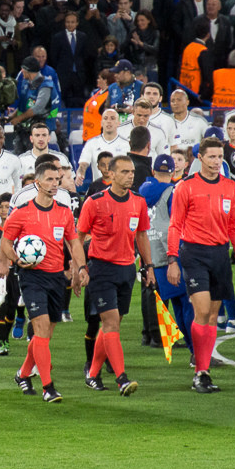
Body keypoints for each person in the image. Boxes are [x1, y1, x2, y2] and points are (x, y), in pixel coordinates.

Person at [0, 161, 88, 403]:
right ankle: (48, 387)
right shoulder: (21, 213)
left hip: (56, 278)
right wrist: (16, 260)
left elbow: (75, 243)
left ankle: (23, 373)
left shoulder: (64, 212)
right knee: (39, 329)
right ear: (37, 183)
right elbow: (5, 242)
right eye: (49, 179)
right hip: (31, 277)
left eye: (57, 179)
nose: (54, 184)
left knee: (46, 334)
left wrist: (80, 267)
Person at [167, 136, 235, 394]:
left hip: (220, 255)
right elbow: (175, 225)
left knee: (212, 316)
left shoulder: (229, 187)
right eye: (211, 156)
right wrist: (172, 259)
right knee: (201, 312)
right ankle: (198, 369)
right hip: (194, 254)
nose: (216, 161)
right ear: (199, 158)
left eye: (220, 157)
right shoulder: (185, 187)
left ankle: (203, 370)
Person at [79, 155, 155, 396]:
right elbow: (78, 236)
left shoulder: (138, 202)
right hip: (101, 269)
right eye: (124, 172)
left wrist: (148, 265)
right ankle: (121, 378)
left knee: (113, 324)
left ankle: (92, 373)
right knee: (111, 323)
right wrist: (78, 268)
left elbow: (141, 235)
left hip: (127, 269)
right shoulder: (94, 202)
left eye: (131, 171)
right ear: (110, 175)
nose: (130, 175)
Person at [139, 154, 195, 358]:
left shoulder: (142, 193)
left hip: (153, 255)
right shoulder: (173, 192)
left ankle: (188, 348)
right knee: (187, 303)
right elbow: (177, 223)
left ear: (153, 171)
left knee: (177, 303)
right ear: (172, 173)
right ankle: (194, 350)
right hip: (172, 253)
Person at [76, 108, 130, 184]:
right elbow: (83, 164)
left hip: (120, 189)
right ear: (101, 123)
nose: (109, 121)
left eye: (112, 118)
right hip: (98, 189)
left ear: (118, 123)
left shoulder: (127, 144)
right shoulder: (91, 143)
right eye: (105, 118)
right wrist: (80, 173)